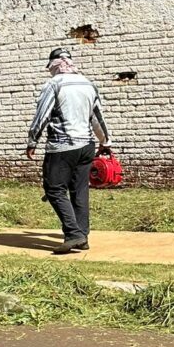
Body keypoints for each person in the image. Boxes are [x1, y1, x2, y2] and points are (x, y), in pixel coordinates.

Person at [26, 47, 111, 254]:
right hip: (86, 146)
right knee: (79, 191)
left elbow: (43, 115)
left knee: (54, 189)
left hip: (62, 147)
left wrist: (32, 140)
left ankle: (73, 234)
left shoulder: (53, 85)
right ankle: (82, 236)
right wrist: (105, 141)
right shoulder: (88, 84)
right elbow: (96, 117)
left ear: (54, 66)